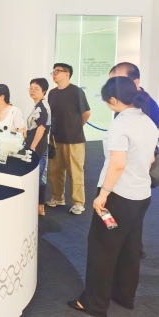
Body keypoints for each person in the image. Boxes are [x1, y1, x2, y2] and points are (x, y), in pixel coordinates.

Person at [69, 76, 157, 317]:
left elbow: (117, 164)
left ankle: (94, 304)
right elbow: (151, 158)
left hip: (118, 195)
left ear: (114, 100)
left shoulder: (121, 123)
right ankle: (124, 296)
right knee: (130, 247)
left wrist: (103, 195)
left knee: (102, 248)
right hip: (141, 194)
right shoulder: (147, 120)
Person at [109, 62, 159, 259]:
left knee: (133, 208)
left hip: (136, 170)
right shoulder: (124, 103)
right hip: (126, 169)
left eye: (118, 80)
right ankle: (131, 247)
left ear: (135, 82)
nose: (114, 86)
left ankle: (132, 248)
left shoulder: (147, 104)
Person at [47, 63, 91, 215]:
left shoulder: (76, 91)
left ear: (67, 74)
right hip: (55, 138)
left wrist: (75, 127)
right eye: (53, 71)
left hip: (74, 139)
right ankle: (57, 198)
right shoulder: (52, 93)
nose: (54, 74)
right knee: (55, 171)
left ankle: (78, 203)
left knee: (75, 172)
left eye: (57, 71)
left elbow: (86, 113)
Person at [26, 78, 51, 216]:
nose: (32, 90)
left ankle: (36, 207)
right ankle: (40, 207)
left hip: (37, 146)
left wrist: (33, 147)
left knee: (36, 177)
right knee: (41, 177)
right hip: (38, 145)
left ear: (44, 91)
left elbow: (41, 129)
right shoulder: (39, 105)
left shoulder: (42, 107)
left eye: (36, 88)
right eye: (31, 88)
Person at [109, 62, 159, 128]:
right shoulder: (123, 100)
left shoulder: (148, 107)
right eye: (111, 83)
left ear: (135, 82)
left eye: (119, 82)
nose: (113, 87)